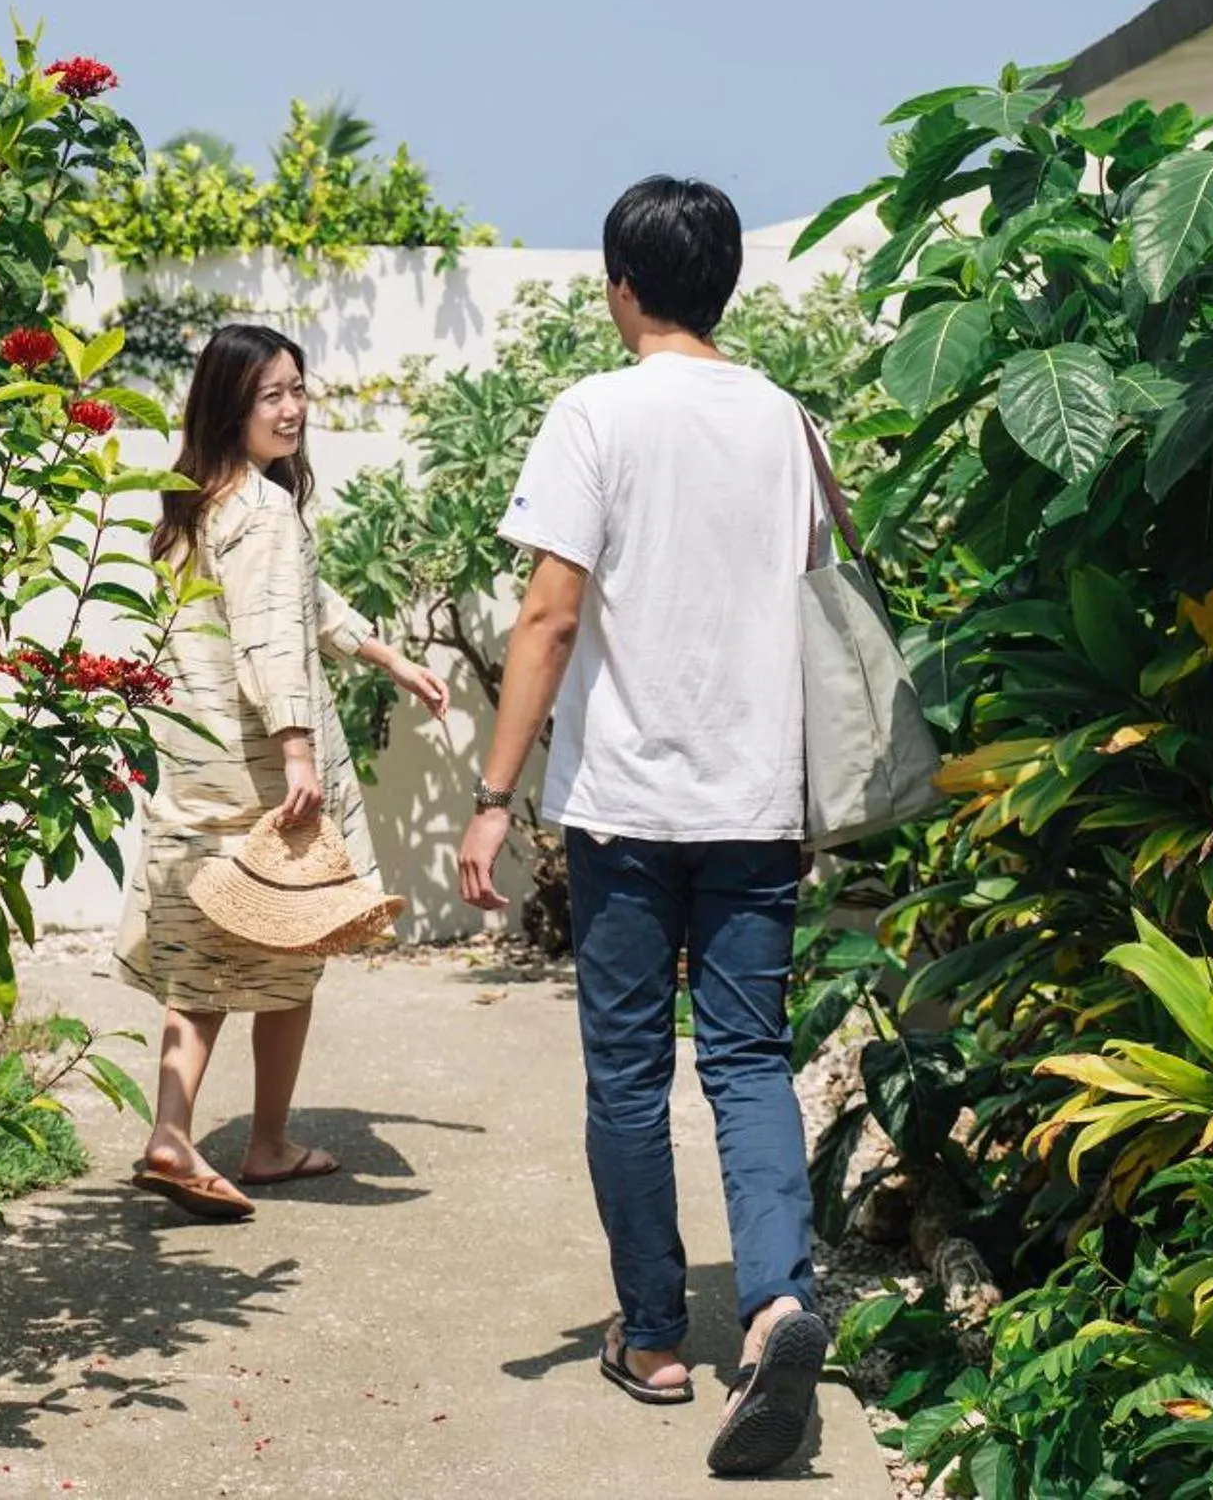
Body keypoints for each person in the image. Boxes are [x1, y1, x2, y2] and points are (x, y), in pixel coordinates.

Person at [456, 177, 833, 1479]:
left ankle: (658, 1339)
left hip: (623, 808)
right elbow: (819, 592)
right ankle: (779, 1299)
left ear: (622, 284)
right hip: (756, 800)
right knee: (748, 1058)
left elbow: (550, 616)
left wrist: (493, 798)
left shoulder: (595, 413)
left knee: (627, 1074)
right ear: (723, 285)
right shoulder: (788, 420)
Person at [117, 323, 449, 1222]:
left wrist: (385, 656)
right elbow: (271, 639)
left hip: (198, 766)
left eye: (299, 389)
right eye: (273, 394)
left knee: (203, 959)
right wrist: (299, 746)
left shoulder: (199, 502)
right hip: (263, 771)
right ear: (232, 404)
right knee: (290, 952)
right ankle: (247, 1141)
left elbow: (305, 602)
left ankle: (188, 1133)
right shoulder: (260, 511)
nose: (294, 408)